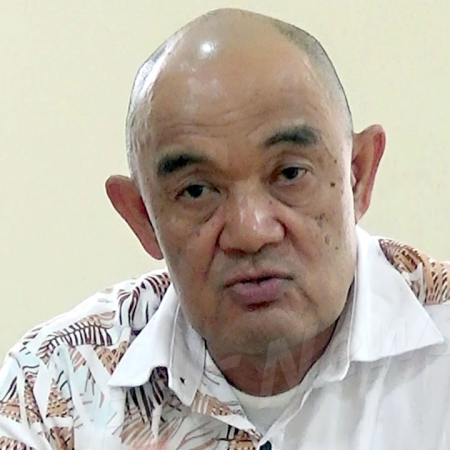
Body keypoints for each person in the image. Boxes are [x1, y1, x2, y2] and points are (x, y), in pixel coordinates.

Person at [1, 8, 449, 450]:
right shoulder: (54, 389)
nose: (250, 232)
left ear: (358, 176)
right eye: (197, 191)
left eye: (290, 174)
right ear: (142, 217)